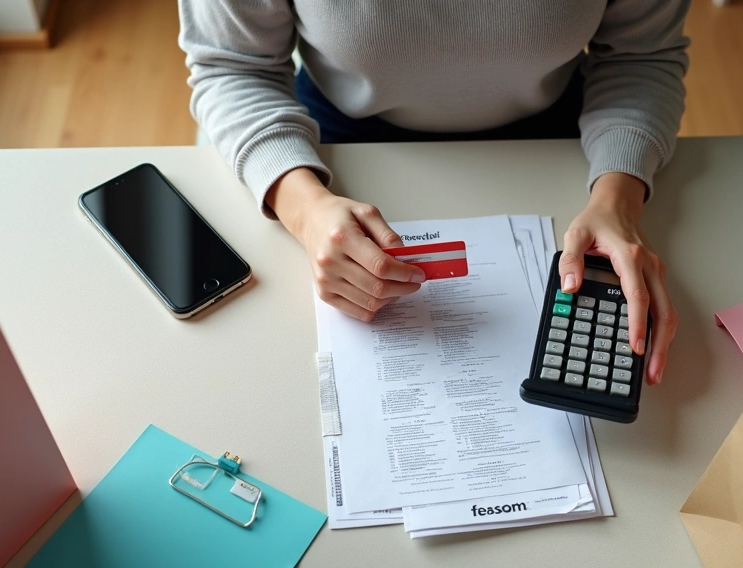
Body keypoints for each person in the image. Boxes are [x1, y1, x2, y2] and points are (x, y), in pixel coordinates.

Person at [180, 0, 688, 385]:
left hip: (557, 141)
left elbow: (641, 56)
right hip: (337, 144)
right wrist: (305, 209)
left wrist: (618, 198)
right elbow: (232, 66)